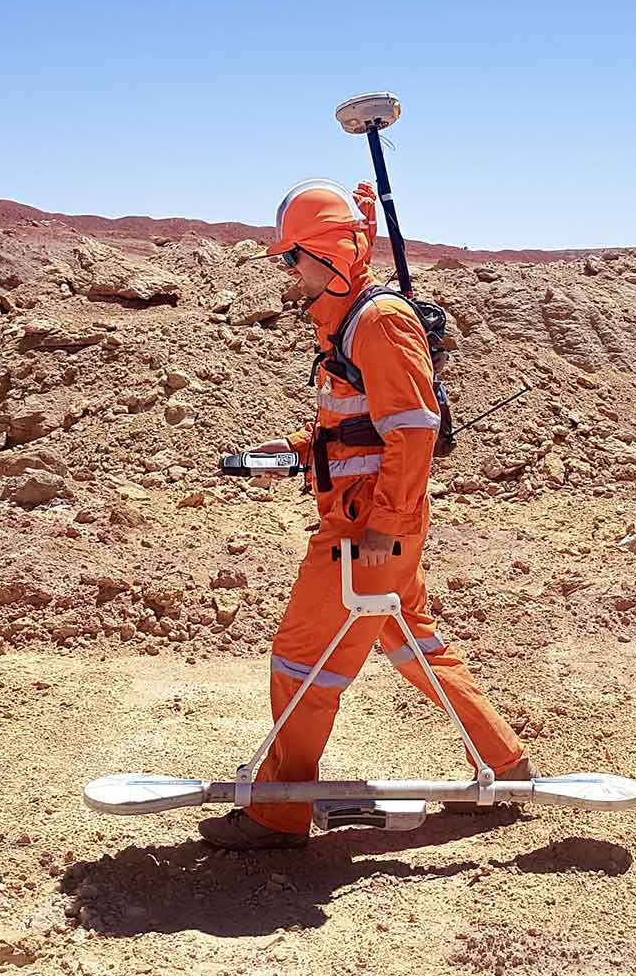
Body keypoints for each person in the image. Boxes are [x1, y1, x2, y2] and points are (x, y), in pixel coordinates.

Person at [198, 179, 532, 851]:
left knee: (302, 660)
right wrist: (294, 451)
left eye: (294, 258)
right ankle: (504, 763)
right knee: (413, 643)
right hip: (375, 524)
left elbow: (413, 432)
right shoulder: (344, 323)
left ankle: (277, 812)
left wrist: (382, 526)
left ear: (325, 252)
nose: (289, 273)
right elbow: (357, 429)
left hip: (366, 530)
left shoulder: (377, 322)